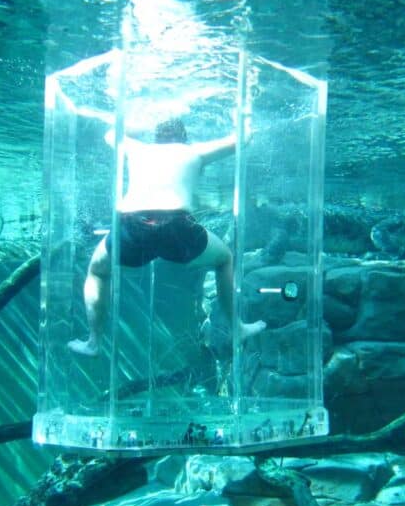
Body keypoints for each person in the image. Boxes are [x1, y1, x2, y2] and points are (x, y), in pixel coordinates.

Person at [68, 117, 266, 357]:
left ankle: (93, 342)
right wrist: (243, 116)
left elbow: (110, 134)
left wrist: (139, 120)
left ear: (156, 136)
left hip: (132, 224)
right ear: (184, 136)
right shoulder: (193, 151)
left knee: (98, 271)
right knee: (224, 258)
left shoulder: (137, 148)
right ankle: (237, 327)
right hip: (176, 226)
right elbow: (243, 139)